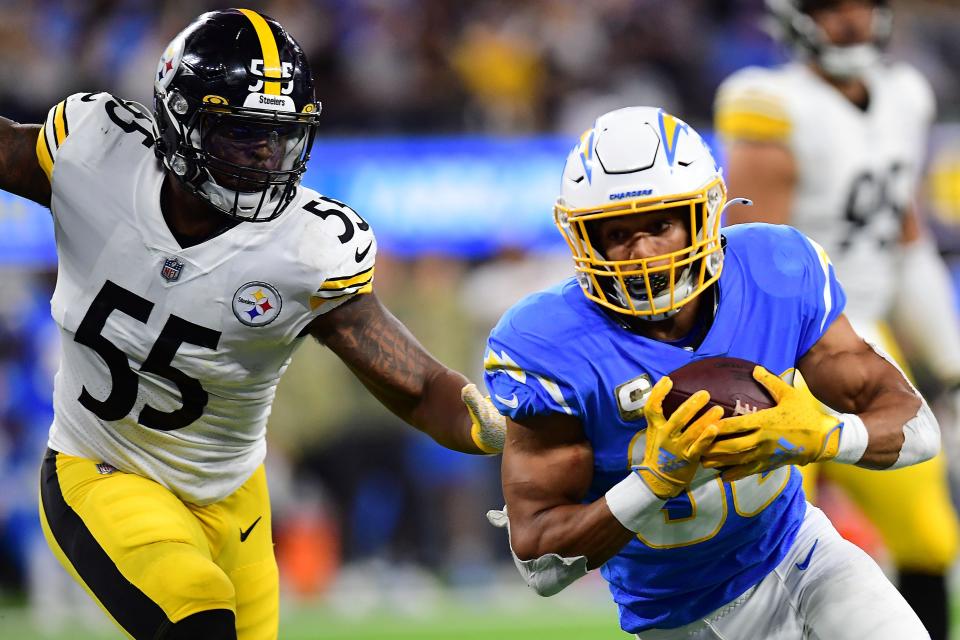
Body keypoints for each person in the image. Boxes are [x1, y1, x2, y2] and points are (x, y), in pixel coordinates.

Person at [0, 9, 505, 640]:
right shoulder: (95, 158)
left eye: (281, 137)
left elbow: (418, 384)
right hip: (102, 468)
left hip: (234, 499)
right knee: (197, 613)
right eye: (242, 134)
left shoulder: (306, 249)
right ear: (180, 123)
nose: (266, 157)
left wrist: (493, 428)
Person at [483, 105, 939, 639]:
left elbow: (917, 428)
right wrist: (654, 482)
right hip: (677, 616)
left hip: (804, 555)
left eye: (660, 225)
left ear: (705, 214)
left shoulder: (776, 269)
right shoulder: (548, 343)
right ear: (583, 239)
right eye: (616, 233)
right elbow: (542, 566)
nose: (643, 253)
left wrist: (823, 435)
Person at [714, 1, 960, 637]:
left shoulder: (906, 96)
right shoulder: (769, 102)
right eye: (830, 7)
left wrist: (949, 358)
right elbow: (753, 251)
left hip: (868, 338)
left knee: (929, 537)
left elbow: (904, 234)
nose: (849, 20)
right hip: (784, 349)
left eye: (860, 4)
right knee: (764, 549)